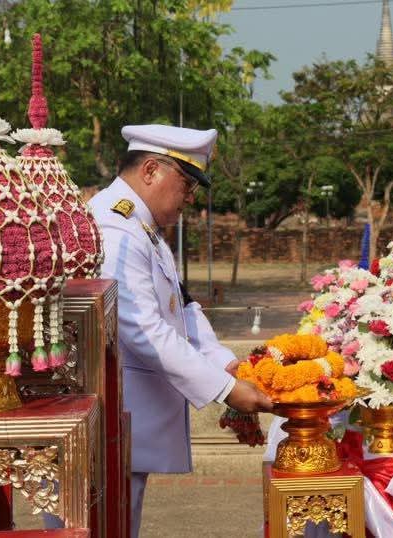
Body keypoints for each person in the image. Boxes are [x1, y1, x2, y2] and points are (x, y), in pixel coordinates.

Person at [89, 124, 272, 538]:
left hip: (131, 421)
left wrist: (228, 365)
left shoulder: (142, 228)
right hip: (110, 417)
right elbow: (141, 327)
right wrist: (226, 391)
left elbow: (184, 309)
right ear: (151, 170)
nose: (191, 198)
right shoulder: (115, 228)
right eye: (187, 184)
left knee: (121, 522)